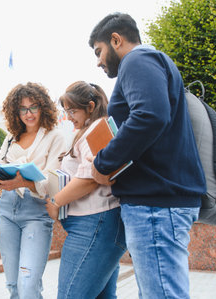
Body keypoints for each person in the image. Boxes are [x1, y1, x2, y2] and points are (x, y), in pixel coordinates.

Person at [88, 13, 206, 299]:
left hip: (155, 203)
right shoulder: (152, 61)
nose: (99, 61)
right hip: (161, 201)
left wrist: (103, 162)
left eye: (99, 51)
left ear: (116, 40)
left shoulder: (137, 61)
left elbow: (150, 116)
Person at [0, 82, 65, 299]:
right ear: (15, 111)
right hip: (6, 211)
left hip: (36, 213)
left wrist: (23, 183)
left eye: (33, 107)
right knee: (13, 286)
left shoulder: (55, 136)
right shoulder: (11, 137)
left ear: (44, 108)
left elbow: (52, 184)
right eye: (23, 109)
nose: (28, 113)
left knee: (28, 284)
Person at [45, 81, 126, 299]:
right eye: (66, 110)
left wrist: (55, 201)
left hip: (94, 224)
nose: (68, 116)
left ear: (90, 106)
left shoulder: (97, 129)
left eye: (72, 110)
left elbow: (91, 177)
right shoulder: (91, 129)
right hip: (96, 225)